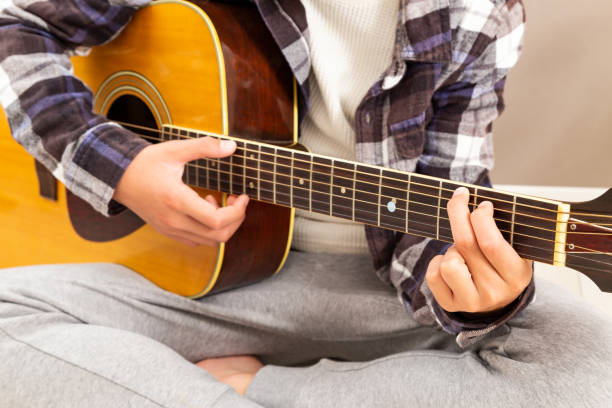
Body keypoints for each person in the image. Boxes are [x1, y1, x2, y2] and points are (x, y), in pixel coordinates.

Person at [0, 0, 610, 407]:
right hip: (193, 280)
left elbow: (448, 194)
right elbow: (17, 25)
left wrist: (474, 295)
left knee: (586, 371)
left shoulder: (479, 13)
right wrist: (117, 166)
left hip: (378, 291)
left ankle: (250, 385)